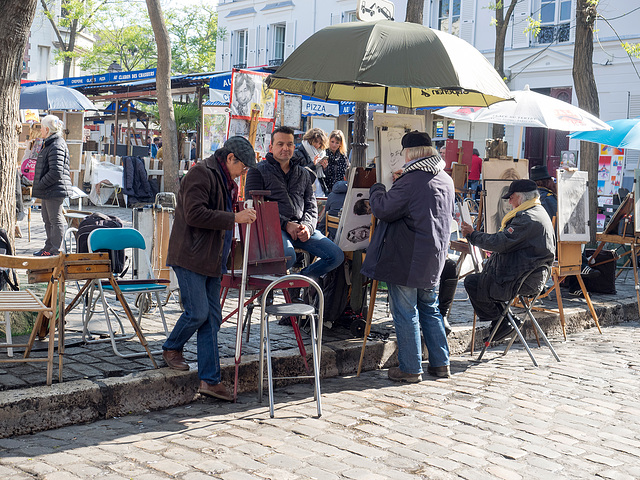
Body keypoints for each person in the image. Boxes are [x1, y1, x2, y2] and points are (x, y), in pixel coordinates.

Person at [162, 136, 257, 401]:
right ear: (230, 159)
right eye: (243, 166)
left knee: (212, 319)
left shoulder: (228, 181)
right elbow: (194, 214)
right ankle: (171, 347)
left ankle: (210, 380)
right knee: (198, 312)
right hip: (190, 256)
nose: (245, 172)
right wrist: (233, 217)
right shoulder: (200, 174)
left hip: (213, 259)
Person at [362, 131, 455, 382]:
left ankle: (411, 368)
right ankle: (441, 364)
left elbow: (383, 208)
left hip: (408, 257)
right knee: (430, 309)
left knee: (406, 312)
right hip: (434, 257)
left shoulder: (411, 181)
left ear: (410, 153)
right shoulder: (445, 178)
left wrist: (378, 188)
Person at [245, 126, 343, 282]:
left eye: (290, 144)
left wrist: (308, 227)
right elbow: (254, 207)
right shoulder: (257, 170)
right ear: (271, 147)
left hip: (301, 229)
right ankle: (274, 289)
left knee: (336, 256)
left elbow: (311, 206)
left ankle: (298, 281)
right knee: (288, 257)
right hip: (273, 230)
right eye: (280, 144)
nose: (285, 148)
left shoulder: (303, 173)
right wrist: (285, 224)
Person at [461, 179, 555, 342]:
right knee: (482, 281)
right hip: (528, 275)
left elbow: (500, 242)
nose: (509, 202)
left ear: (521, 197)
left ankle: (502, 321)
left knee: (472, 282)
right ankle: (504, 320)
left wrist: (472, 235)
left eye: (511, 198)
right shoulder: (536, 211)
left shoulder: (527, 218)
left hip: (524, 280)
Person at [32, 115, 72, 256]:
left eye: (42, 128)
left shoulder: (56, 144)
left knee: (55, 220)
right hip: (49, 189)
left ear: (47, 129)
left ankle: (56, 251)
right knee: (48, 219)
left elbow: (56, 171)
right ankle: (49, 248)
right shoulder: (51, 143)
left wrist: (41, 184)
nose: (41, 131)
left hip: (54, 189)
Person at [293, 128, 329, 197]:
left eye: (320, 143)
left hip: (319, 190)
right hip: (303, 191)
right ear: (310, 140)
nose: (317, 145)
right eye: (315, 141)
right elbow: (297, 173)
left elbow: (325, 177)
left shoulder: (321, 153)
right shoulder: (298, 153)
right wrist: (313, 164)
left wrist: (325, 168)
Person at [320, 130, 349, 194]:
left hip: (340, 189)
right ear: (329, 141)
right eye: (332, 142)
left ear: (340, 144)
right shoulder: (324, 153)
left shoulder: (343, 156)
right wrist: (325, 168)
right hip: (326, 188)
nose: (334, 145)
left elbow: (346, 172)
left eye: (337, 143)